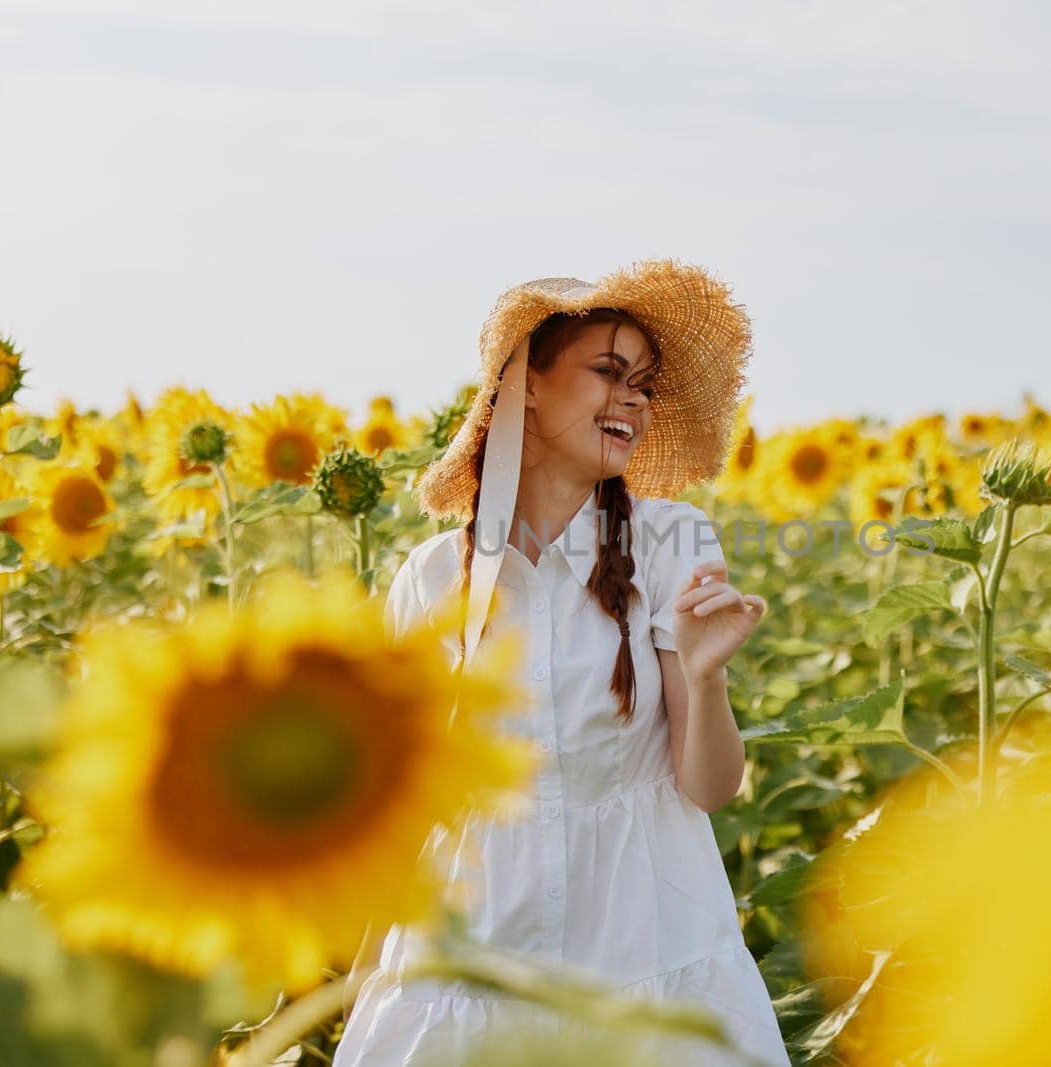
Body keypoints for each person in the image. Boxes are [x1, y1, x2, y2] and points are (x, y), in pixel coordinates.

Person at [333, 260, 792, 1066]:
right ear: (528, 384)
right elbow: (410, 812)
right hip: (474, 957)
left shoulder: (668, 542)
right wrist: (366, 986)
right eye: (609, 373)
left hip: (643, 947)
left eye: (644, 386)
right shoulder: (433, 579)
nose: (634, 401)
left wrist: (707, 674)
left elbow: (709, 788)